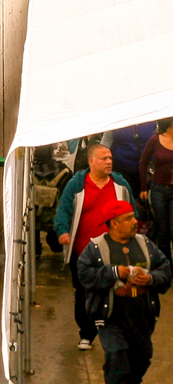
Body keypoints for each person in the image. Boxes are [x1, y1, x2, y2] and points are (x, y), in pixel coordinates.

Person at [78, 199, 172, 383]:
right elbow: (85, 275)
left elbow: (165, 270)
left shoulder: (145, 244)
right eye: (129, 218)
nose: (135, 222)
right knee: (116, 356)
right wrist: (113, 272)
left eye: (134, 217)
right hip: (111, 318)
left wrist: (151, 279)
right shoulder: (96, 248)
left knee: (141, 360)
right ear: (114, 223)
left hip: (142, 317)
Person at [62, 145, 144, 349]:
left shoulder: (121, 185)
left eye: (110, 158)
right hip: (83, 251)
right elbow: (64, 209)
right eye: (104, 158)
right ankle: (86, 334)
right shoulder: (77, 185)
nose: (109, 161)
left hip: (114, 251)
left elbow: (133, 212)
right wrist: (62, 230)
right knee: (83, 292)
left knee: (117, 291)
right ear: (91, 161)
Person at [139, 125, 173, 259]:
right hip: (158, 189)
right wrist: (143, 187)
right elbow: (143, 163)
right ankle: (166, 266)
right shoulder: (155, 140)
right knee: (162, 231)